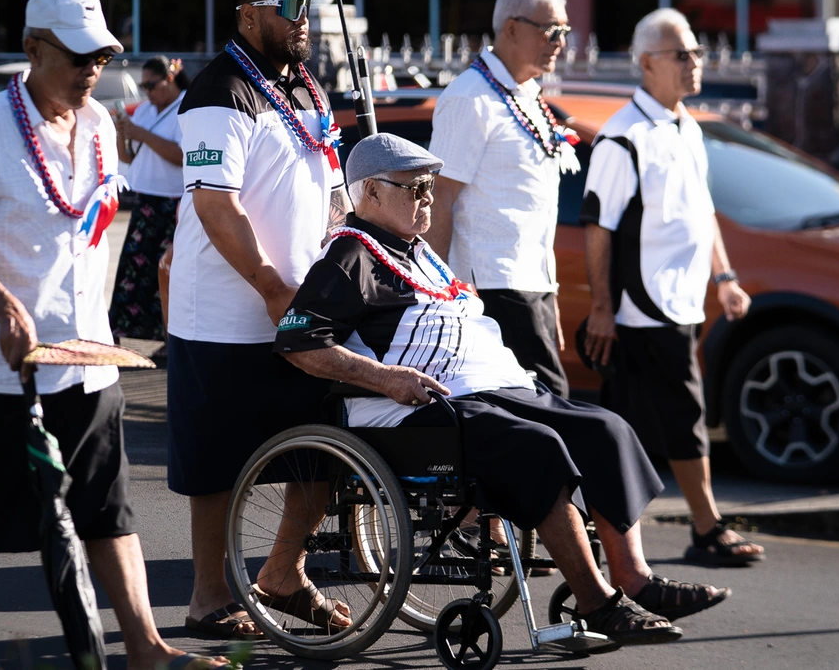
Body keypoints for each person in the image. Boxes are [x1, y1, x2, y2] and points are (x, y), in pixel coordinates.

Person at [275, 132, 732, 642]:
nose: (428, 197)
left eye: (429, 186)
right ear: (371, 193)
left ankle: (634, 578)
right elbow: (299, 342)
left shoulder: (417, 251)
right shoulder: (351, 257)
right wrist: (386, 379)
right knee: (535, 448)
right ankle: (598, 603)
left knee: (604, 428)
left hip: (487, 390)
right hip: (414, 408)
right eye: (415, 187)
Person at [0, 0, 225, 670]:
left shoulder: (97, 127)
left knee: (107, 508)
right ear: (32, 48)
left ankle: (146, 646)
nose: (93, 69)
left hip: (88, 357)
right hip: (1, 365)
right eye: (78, 56)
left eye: (102, 56)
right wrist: (3, 302)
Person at [166, 0, 349, 640]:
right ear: (248, 14)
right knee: (217, 465)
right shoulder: (219, 91)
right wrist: (271, 283)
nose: (305, 21)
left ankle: (283, 572)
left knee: (324, 448)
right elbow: (217, 205)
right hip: (223, 314)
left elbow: (332, 189)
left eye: (309, 10)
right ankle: (209, 597)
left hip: (304, 309)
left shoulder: (305, 87)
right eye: (289, 8)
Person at [581, 8, 765, 567]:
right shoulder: (623, 137)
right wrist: (602, 309)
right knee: (680, 417)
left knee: (626, 426)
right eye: (681, 54)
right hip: (643, 308)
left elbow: (701, 210)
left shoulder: (687, 126)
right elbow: (598, 228)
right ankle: (705, 529)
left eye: (697, 53)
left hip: (682, 302)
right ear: (646, 63)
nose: (695, 63)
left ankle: (597, 533)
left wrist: (725, 278)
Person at [425, 0, 582, 398]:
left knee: (540, 411)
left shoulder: (527, 94)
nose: (561, 42)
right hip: (492, 285)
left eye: (565, 31)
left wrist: (551, 299)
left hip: (532, 283)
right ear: (511, 28)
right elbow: (439, 199)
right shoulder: (471, 97)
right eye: (552, 30)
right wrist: (438, 293)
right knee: (548, 408)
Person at [111, 56, 190, 354]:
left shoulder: (185, 107)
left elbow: (181, 155)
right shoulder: (144, 110)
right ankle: (118, 332)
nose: (146, 91)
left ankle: (170, 341)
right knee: (132, 271)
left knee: (168, 272)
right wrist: (123, 130)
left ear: (169, 79)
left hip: (174, 202)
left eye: (150, 85)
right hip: (145, 199)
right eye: (142, 85)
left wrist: (140, 133)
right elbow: (129, 156)